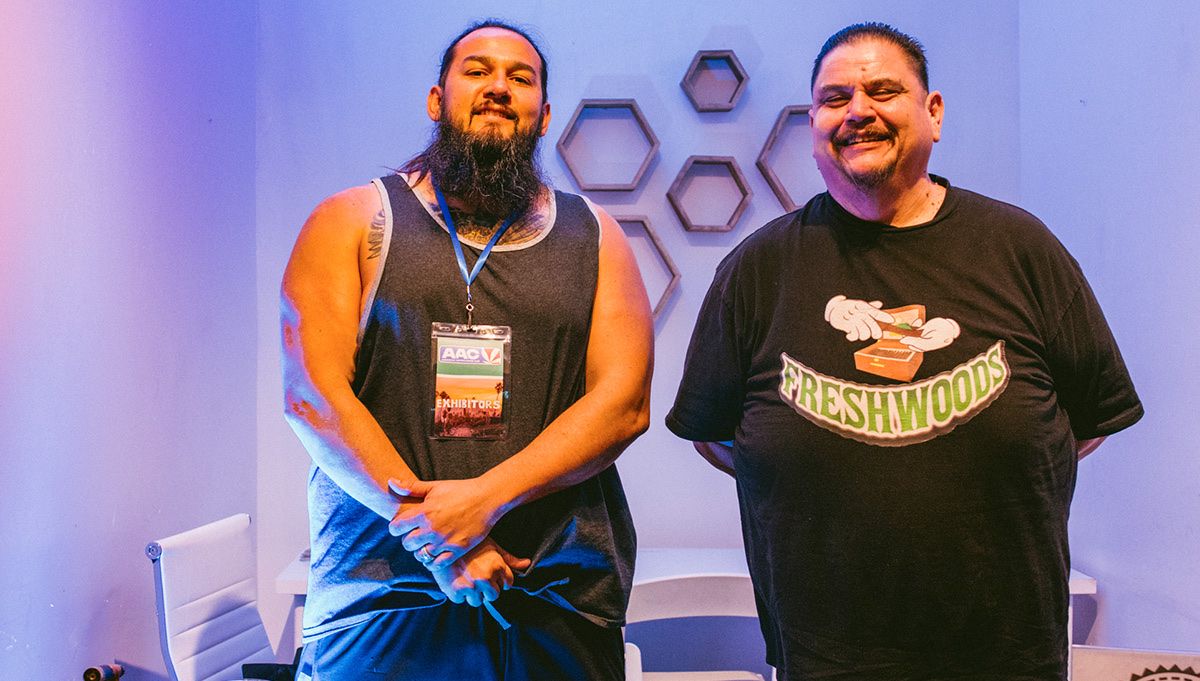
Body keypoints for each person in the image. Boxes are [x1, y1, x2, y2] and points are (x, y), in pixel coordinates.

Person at [666, 22, 1143, 681]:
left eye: (883, 91)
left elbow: (1086, 422)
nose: (857, 111)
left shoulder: (1021, 249)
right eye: (834, 99)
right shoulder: (759, 269)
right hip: (826, 656)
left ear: (933, 112)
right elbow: (715, 435)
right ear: (814, 124)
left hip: (1008, 654)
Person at [280, 19, 653, 680]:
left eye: (521, 78)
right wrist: (440, 538)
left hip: (555, 597)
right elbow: (312, 397)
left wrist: (484, 501)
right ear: (437, 99)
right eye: (477, 70)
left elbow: (622, 405)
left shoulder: (597, 237)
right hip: (379, 600)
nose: (499, 87)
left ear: (544, 115)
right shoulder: (351, 221)